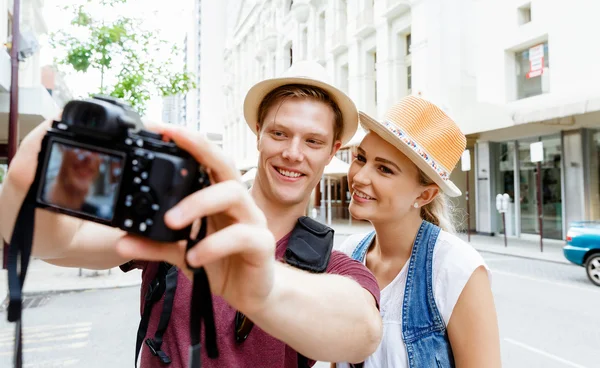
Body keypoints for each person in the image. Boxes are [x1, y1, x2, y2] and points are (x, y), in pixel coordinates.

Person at [0, 61, 382, 367]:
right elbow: (54, 243)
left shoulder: (334, 266)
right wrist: (29, 180)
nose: (293, 153)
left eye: (312, 141)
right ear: (258, 132)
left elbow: (363, 332)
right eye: (280, 134)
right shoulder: (182, 219)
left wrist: (266, 288)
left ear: (332, 151)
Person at [334, 96, 501, 367]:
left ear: (425, 194)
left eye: (384, 169)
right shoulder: (348, 255)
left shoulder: (456, 268)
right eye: (361, 158)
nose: (361, 177)